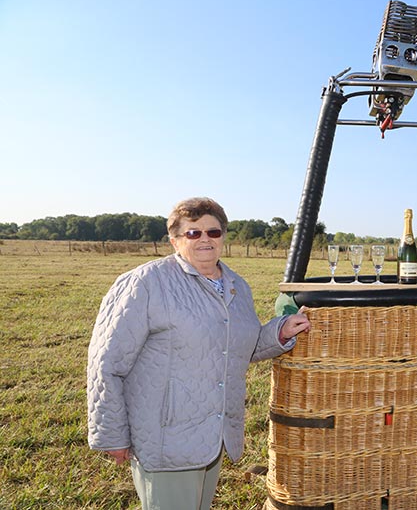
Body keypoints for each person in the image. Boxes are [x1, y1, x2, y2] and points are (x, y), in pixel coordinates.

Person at [86, 197, 310, 510]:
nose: (205, 239)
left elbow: (239, 347)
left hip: (213, 436)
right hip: (166, 439)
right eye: (193, 233)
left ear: (223, 237)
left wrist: (280, 331)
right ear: (174, 240)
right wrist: (111, 435)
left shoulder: (236, 286)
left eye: (213, 232)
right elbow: (106, 364)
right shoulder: (146, 283)